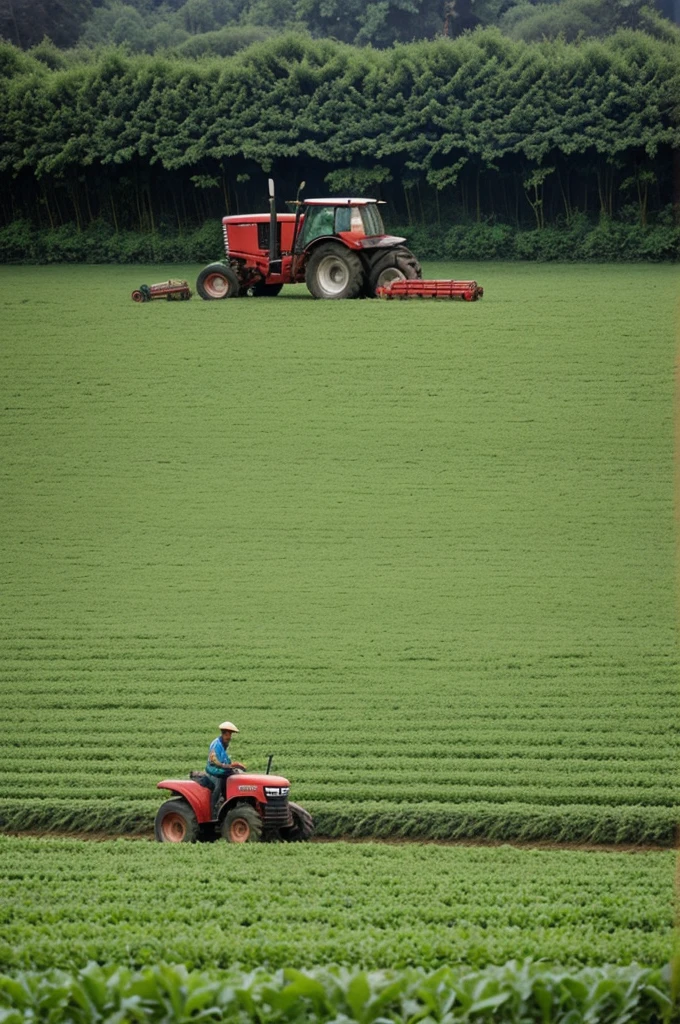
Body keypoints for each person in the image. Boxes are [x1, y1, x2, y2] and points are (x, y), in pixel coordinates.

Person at [206, 721, 246, 818]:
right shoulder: (216, 745)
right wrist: (233, 765)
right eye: (229, 734)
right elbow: (217, 763)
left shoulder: (224, 744)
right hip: (215, 773)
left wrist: (235, 766)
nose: (230, 737)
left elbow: (226, 760)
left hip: (222, 771)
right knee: (216, 791)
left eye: (231, 734)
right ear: (224, 733)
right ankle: (211, 815)